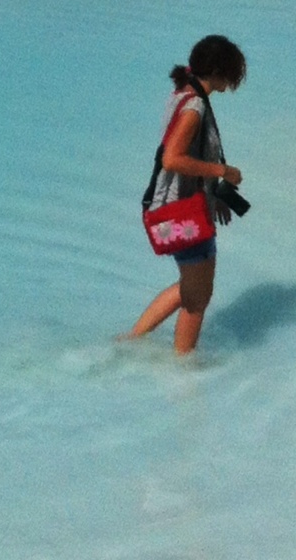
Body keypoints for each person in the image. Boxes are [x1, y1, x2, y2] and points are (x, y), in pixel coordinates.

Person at [126, 35, 246, 354]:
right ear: (220, 71)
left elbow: (183, 155)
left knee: (190, 288)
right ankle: (183, 370)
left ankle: (130, 341)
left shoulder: (184, 92)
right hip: (184, 211)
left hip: (179, 205)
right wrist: (223, 172)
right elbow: (173, 159)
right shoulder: (194, 106)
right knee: (198, 298)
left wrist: (215, 196)